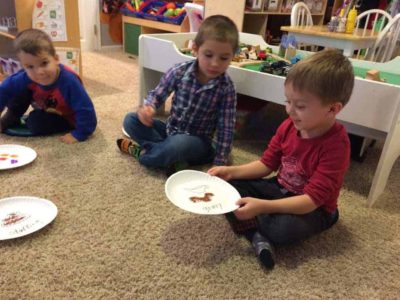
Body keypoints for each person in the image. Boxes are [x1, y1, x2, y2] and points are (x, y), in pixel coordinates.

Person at [208, 49, 355, 270]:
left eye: (301, 106)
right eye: (288, 102)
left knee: (281, 229)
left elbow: (310, 201)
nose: (290, 111)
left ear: (332, 109)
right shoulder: (289, 126)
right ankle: (259, 236)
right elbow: (266, 164)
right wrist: (230, 172)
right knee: (226, 188)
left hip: (315, 209)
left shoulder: (337, 145)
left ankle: (255, 231)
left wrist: (262, 207)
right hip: (280, 187)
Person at [117, 15, 238, 175]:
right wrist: (149, 107)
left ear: (232, 56)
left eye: (223, 58)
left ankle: (145, 155)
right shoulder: (179, 71)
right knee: (130, 120)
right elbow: (157, 94)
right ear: (195, 49)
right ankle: (170, 157)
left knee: (179, 144)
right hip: (170, 130)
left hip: (198, 142)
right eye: (208, 55)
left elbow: (226, 128)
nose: (215, 63)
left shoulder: (226, 88)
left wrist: (220, 161)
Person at [0, 29, 97, 143]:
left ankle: (42, 119)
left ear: (56, 59)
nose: (39, 72)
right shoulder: (27, 76)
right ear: (24, 66)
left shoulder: (69, 82)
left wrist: (80, 134)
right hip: (46, 105)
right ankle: (11, 117)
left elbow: (85, 109)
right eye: (30, 67)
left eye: (44, 63)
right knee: (21, 89)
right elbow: (4, 89)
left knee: (35, 123)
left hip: (66, 116)